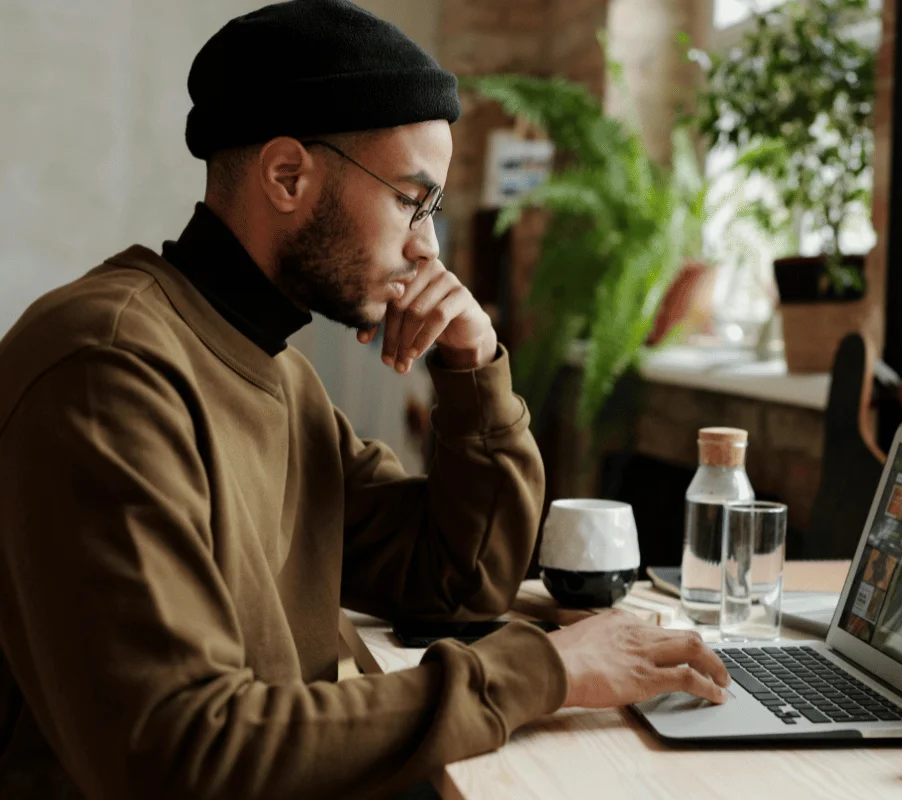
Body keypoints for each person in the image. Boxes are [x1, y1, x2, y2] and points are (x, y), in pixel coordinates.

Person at [0, 2, 729, 797]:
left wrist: (473, 367)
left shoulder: (277, 374)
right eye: (410, 201)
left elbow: (457, 578)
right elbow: (182, 752)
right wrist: (541, 671)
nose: (428, 248)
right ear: (287, 176)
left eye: (434, 212)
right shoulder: (109, 370)